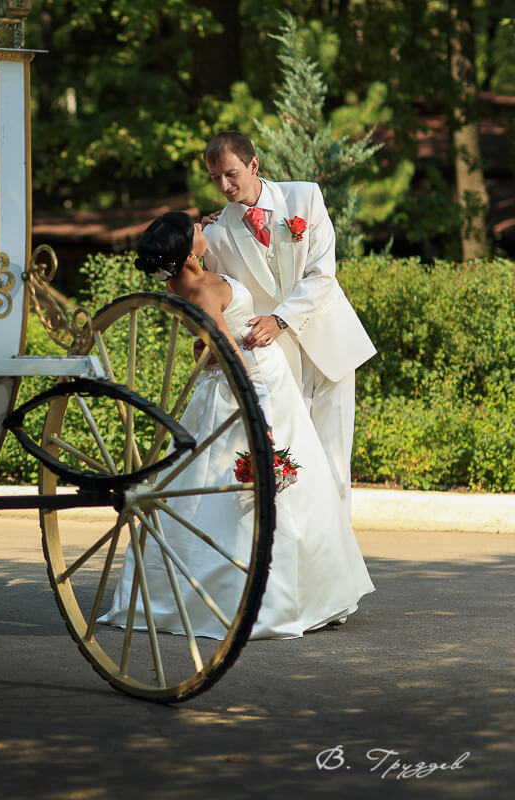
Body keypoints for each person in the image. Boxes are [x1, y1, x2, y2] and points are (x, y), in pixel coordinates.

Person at [102, 211, 374, 638]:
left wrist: (202, 227)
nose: (203, 230)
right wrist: (256, 413)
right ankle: (276, 596)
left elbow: (202, 347)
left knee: (206, 477)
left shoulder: (182, 282)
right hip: (255, 382)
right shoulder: (206, 290)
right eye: (196, 231)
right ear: (188, 251)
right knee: (268, 477)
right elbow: (227, 356)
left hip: (245, 377)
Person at [200, 131, 375, 514]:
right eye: (215, 178)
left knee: (334, 458)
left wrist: (281, 318)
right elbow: (217, 296)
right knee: (293, 457)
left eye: (231, 174)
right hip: (277, 362)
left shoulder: (305, 196)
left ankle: (337, 560)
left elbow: (322, 274)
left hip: (330, 344)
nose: (224, 186)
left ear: (253, 164)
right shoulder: (215, 234)